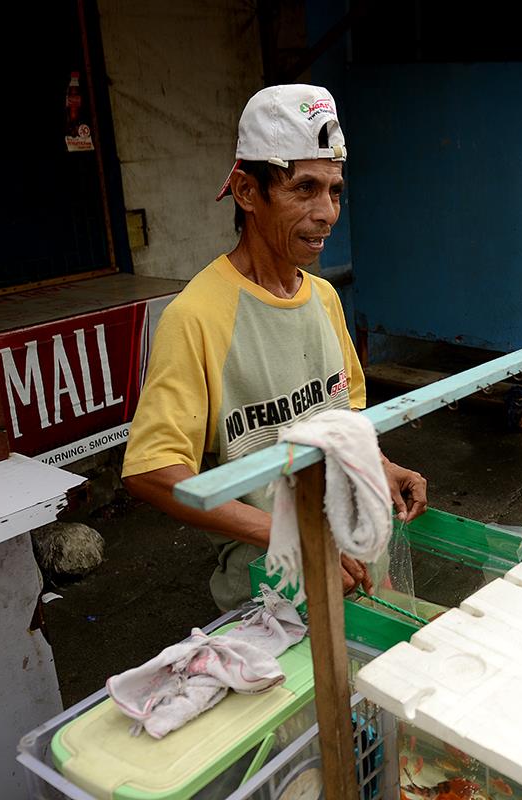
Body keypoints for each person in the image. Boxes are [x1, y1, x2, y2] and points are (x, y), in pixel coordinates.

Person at [122, 85, 428, 613]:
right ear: (247, 191)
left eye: (334, 190)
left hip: (359, 566)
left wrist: (380, 464)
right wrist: (293, 536)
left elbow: (340, 419)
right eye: (304, 188)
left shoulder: (324, 299)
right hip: (273, 598)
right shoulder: (197, 317)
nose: (327, 212)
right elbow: (153, 471)